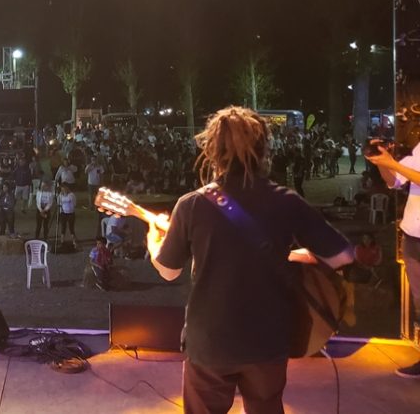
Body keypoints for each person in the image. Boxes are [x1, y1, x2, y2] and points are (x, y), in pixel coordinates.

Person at [145, 106, 354, 413]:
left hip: (211, 340)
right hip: (268, 339)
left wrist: (154, 243)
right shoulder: (286, 201)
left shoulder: (192, 204)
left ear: (211, 150)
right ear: (264, 149)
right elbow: (342, 256)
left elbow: (168, 271)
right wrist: (293, 256)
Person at [365, 141, 420, 378]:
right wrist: (381, 162)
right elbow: (395, 181)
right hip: (413, 235)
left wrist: (392, 163)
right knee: (419, 301)